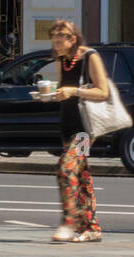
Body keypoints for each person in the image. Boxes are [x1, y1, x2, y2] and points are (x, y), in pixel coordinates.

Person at [45, 20, 109, 243]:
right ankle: (92, 228)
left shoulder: (90, 57)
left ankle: (69, 222)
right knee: (81, 176)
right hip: (68, 126)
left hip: (84, 130)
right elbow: (64, 88)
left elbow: (103, 92)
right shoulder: (62, 60)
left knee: (66, 168)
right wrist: (54, 94)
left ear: (72, 38)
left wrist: (74, 91)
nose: (55, 43)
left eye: (59, 38)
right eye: (53, 38)